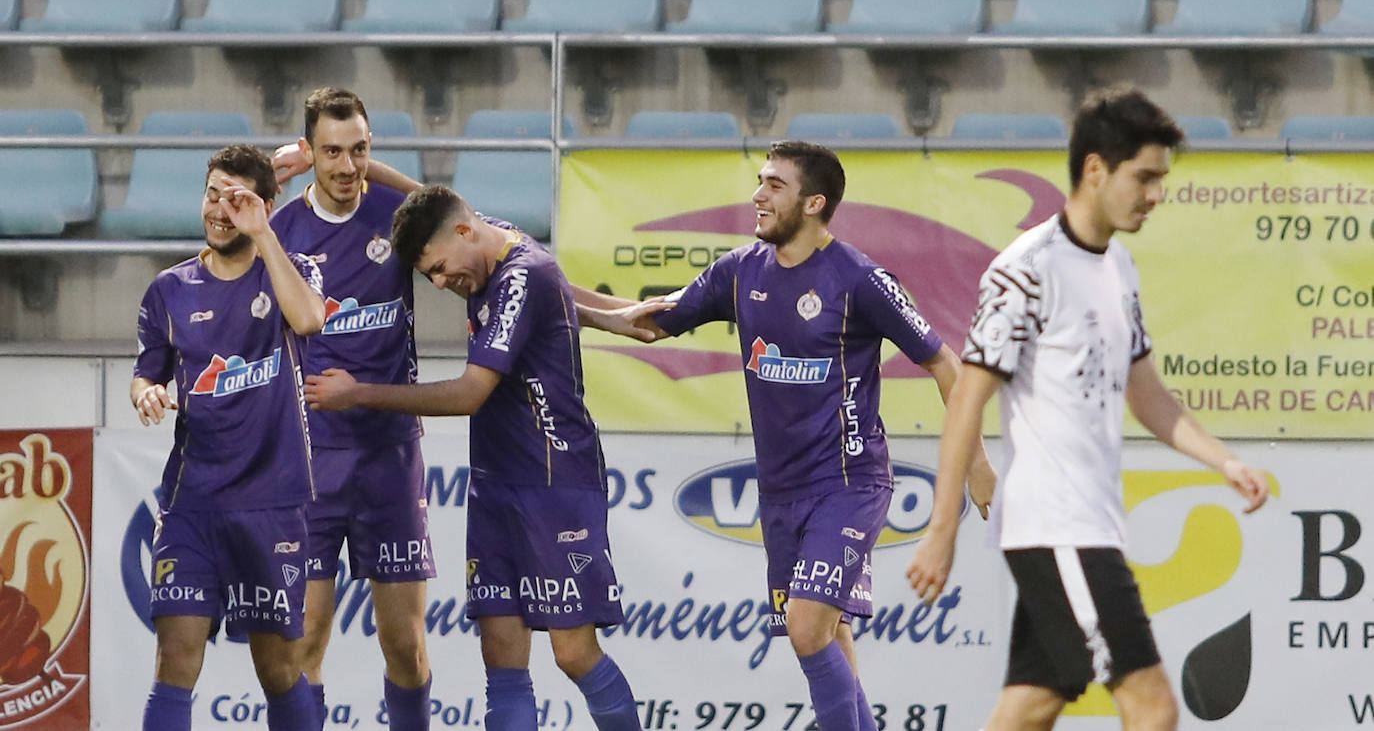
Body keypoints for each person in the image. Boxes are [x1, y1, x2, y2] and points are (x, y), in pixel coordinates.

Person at [582, 140, 997, 731]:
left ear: (813, 203)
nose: (757, 194)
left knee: (807, 629)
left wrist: (975, 460)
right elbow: (652, 322)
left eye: (774, 185)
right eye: (760, 181)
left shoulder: (861, 280)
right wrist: (560, 295)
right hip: (779, 493)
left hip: (849, 484)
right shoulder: (739, 270)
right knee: (828, 636)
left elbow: (945, 363)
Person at [905, 87, 1270, 731]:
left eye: (1162, 178)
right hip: (1058, 525)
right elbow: (966, 400)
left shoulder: (1119, 266)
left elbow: (1148, 394)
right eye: (1145, 177)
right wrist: (942, 530)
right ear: (1096, 169)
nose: (1157, 194)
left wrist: (1225, 461)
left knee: (1030, 707)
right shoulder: (1026, 269)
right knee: (1153, 708)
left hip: (1089, 524)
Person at [303, 185, 647, 731]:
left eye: (440, 269)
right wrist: (361, 166)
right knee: (502, 659)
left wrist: (359, 392)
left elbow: (469, 394)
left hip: (555, 481)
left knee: (573, 653)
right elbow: (428, 197)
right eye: (430, 277)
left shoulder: (521, 274)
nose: (441, 284)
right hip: (494, 484)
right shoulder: (479, 236)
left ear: (465, 233)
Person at [132, 144, 326, 731]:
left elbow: (310, 319)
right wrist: (146, 392)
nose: (221, 209)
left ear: (266, 206)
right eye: (213, 194)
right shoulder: (169, 289)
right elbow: (149, 369)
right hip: (193, 505)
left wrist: (263, 234)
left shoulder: (292, 271)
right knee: (174, 660)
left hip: (272, 503)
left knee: (278, 668)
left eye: (237, 199)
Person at [270, 86, 434, 731]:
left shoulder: (398, 215)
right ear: (307, 151)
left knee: (405, 645)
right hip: (310, 465)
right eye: (331, 152)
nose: (345, 166)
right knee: (304, 643)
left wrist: (377, 173)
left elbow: (462, 221)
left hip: (390, 457)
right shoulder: (279, 233)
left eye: (359, 150)